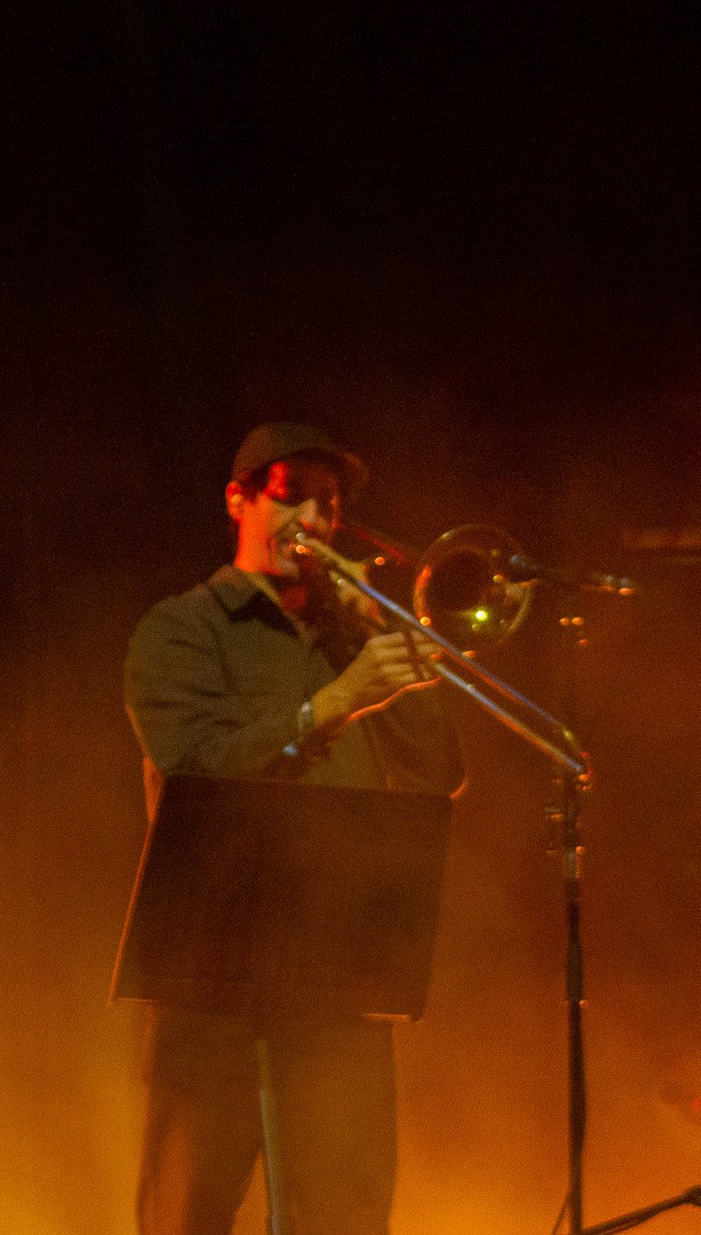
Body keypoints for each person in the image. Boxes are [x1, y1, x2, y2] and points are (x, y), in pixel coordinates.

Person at [121, 422, 465, 1235]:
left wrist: (386, 645)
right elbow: (192, 768)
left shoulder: (354, 633)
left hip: (340, 972)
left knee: (347, 1215)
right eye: (291, 495)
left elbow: (440, 774)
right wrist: (335, 702)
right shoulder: (181, 628)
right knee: (186, 1216)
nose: (311, 519)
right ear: (238, 499)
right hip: (209, 978)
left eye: (329, 504)